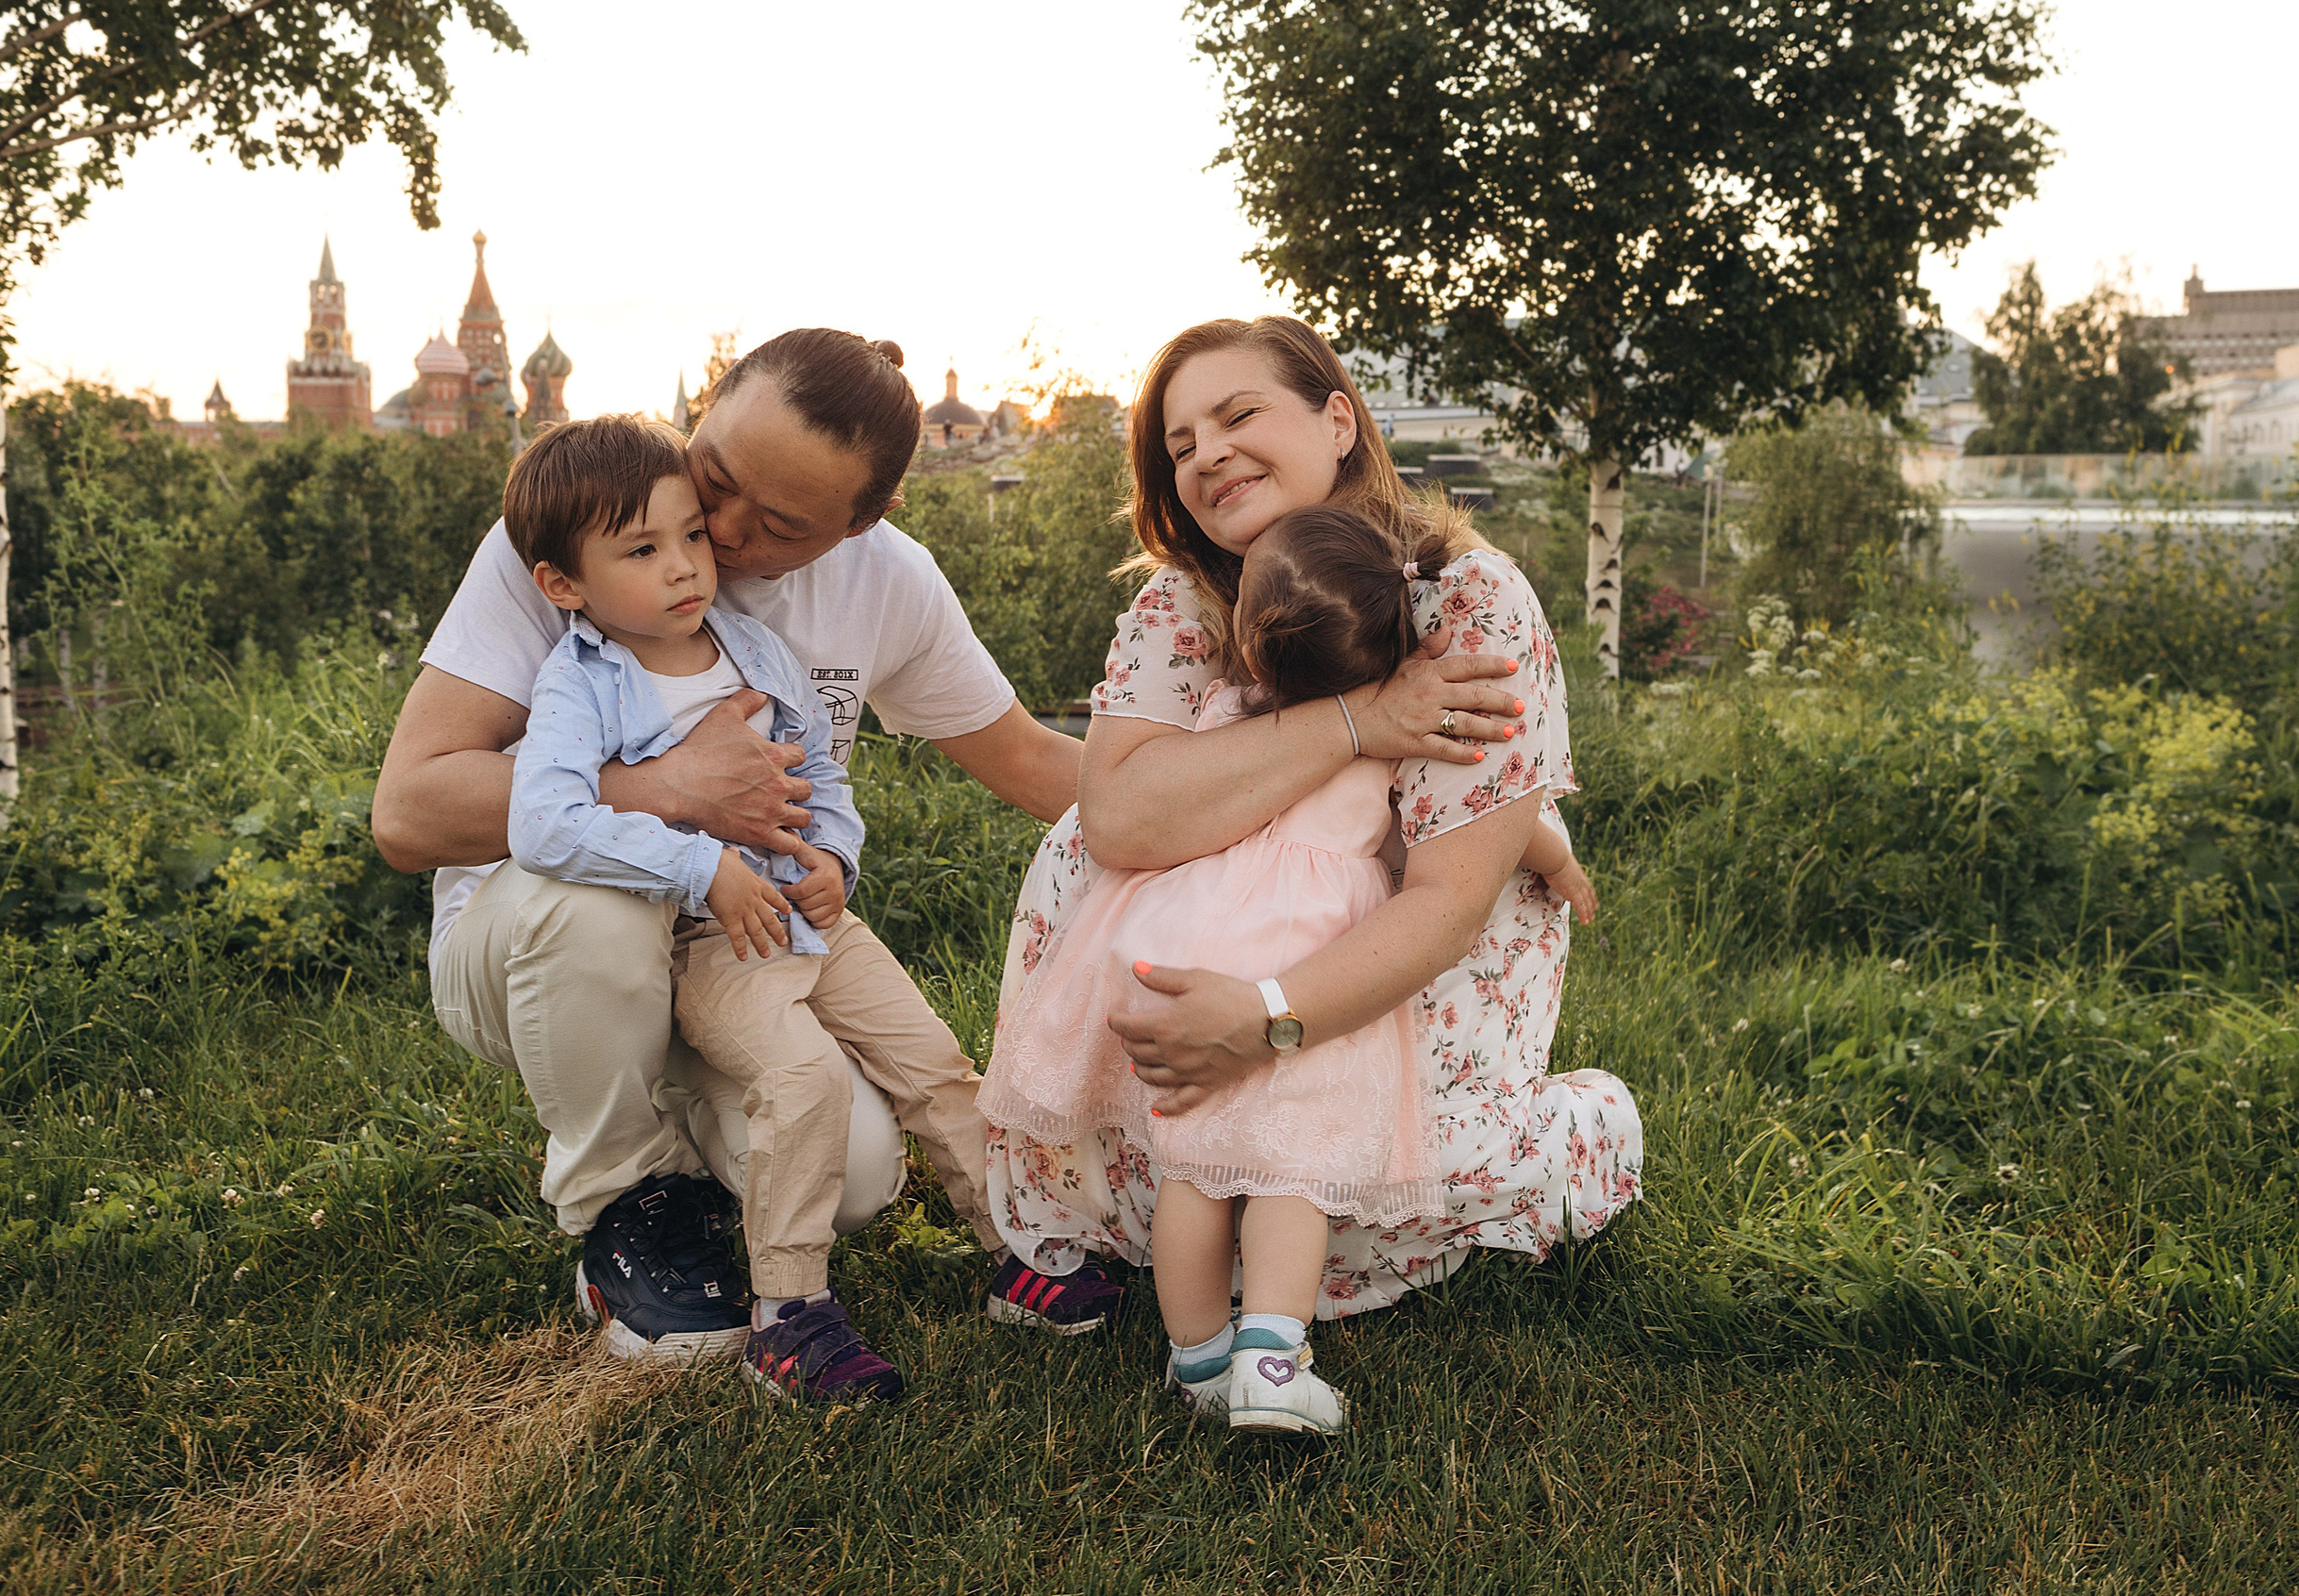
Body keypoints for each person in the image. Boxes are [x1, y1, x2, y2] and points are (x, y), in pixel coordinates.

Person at [376, 327, 1524, 1359]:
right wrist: (665, 788)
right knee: (596, 915)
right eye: (714, 480)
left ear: (856, 528)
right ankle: (625, 1206)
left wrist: (1372, 795)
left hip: (740, 942)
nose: (716, 537)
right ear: (707, 409)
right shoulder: (587, 529)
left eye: (777, 525)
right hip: (539, 944)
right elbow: (411, 811)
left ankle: (705, 1141)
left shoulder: (884, 585)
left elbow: (1036, 764)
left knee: (861, 1179)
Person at [983, 317, 1641, 1323]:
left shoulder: (1465, 598)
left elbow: (1449, 898)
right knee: (1076, 841)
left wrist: (1263, 1022)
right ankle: (1133, 1198)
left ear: (1338, 420)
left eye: (1238, 414)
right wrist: (1358, 722)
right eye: (1180, 444)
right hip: (1182, 982)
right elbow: (1118, 820)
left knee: (1366, 1198)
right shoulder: (1179, 605)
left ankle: (1568, 1131)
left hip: (1386, 985)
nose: (1208, 453)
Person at [500, 413, 1003, 1402]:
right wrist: (699, 869)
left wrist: (833, 858)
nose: (687, 566)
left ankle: (1026, 1250)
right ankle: (790, 1315)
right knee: (804, 1076)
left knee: (938, 1066)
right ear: (566, 585)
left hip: (814, 917)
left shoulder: (750, 649)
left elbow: (819, 768)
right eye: (643, 551)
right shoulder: (582, 684)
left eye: (691, 534)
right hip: (710, 939)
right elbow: (543, 821)